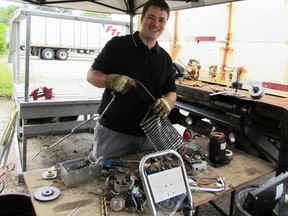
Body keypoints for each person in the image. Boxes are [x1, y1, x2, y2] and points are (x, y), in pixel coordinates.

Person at [87, 0, 177, 160]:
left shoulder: (165, 58)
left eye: (161, 20)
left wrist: (168, 102)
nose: (156, 23)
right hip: (114, 131)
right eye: (151, 17)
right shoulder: (117, 45)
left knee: (144, 178)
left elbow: (171, 90)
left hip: (150, 134)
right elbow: (91, 75)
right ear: (141, 19)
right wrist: (110, 80)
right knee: (105, 177)